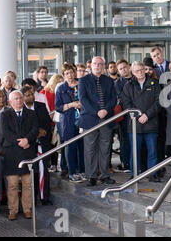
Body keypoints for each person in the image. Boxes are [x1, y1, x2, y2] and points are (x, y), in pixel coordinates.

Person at [79, 56, 117, 186]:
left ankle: (105, 175)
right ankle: (91, 176)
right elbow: (83, 100)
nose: (98, 66)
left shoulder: (109, 81)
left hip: (106, 118)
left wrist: (105, 110)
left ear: (104, 66)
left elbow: (113, 98)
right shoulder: (83, 81)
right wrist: (97, 112)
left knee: (105, 147)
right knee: (90, 148)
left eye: (100, 64)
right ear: (90, 65)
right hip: (90, 118)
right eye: (95, 64)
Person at [1, 91, 39, 220]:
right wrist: (21, 142)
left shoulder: (32, 113)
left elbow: (35, 129)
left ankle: (27, 209)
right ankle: (13, 210)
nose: (18, 100)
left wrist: (27, 140)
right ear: (10, 102)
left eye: (20, 98)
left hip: (27, 152)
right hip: (12, 154)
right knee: (12, 185)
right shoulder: (5, 114)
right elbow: (6, 133)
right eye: (15, 99)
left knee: (27, 183)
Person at [121, 61, 161, 182]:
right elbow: (126, 103)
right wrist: (138, 115)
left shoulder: (154, 84)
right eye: (137, 71)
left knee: (153, 150)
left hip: (151, 122)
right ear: (132, 72)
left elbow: (158, 102)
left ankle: (153, 174)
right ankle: (135, 175)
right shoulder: (128, 86)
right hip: (135, 124)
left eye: (142, 70)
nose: (140, 72)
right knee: (135, 151)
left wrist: (147, 115)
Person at [22, 86, 53, 205]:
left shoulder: (40, 105)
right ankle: (33, 199)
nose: (31, 97)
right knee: (32, 172)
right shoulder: (21, 109)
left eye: (32, 94)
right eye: (28, 95)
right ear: (23, 97)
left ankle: (45, 197)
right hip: (29, 145)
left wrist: (44, 131)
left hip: (43, 143)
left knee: (44, 171)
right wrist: (34, 134)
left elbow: (47, 123)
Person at [55, 64, 86, 183]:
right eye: (67, 73)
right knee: (71, 147)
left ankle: (82, 170)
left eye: (72, 72)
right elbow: (58, 107)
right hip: (68, 120)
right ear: (64, 75)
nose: (70, 75)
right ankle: (72, 172)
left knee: (82, 146)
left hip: (82, 119)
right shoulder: (61, 88)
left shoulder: (82, 85)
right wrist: (71, 105)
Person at [40, 74, 64, 172]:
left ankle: (54, 163)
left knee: (55, 143)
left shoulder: (61, 92)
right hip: (47, 121)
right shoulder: (44, 92)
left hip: (57, 121)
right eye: (58, 82)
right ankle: (49, 163)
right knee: (48, 143)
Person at [114, 59, 133, 172]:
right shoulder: (118, 83)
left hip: (137, 114)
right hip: (125, 115)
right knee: (125, 140)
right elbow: (122, 97)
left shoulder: (136, 78)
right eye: (121, 69)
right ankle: (125, 163)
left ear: (129, 66)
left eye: (125, 67)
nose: (123, 70)